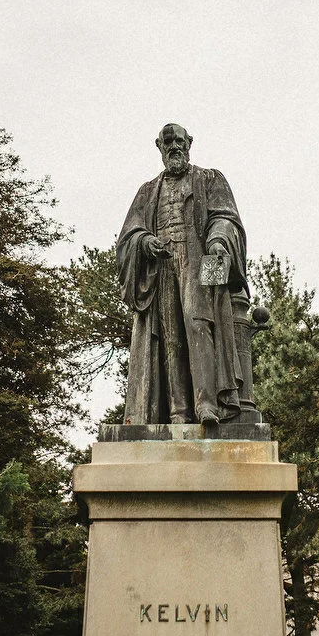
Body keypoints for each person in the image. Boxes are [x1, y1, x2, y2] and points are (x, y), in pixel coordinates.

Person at [116, 124, 248, 424]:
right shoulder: (148, 191)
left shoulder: (209, 178)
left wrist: (217, 241)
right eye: (168, 141)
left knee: (200, 324)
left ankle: (208, 404)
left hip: (200, 262)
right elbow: (128, 236)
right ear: (158, 146)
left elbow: (226, 218)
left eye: (179, 141)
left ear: (190, 143)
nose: (174, 146)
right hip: (161, 267)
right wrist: (146, 242)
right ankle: (178, 411)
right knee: (170, 335)